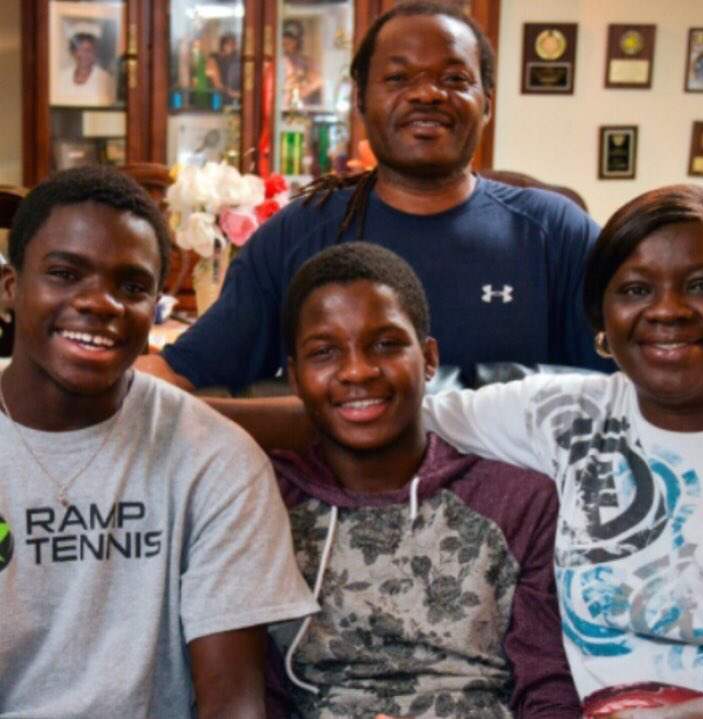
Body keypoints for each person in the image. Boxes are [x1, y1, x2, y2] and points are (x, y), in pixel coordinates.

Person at [137, 0, 610, 399]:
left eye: (454, 79)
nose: (427, 94)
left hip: (524, 501)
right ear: (360, 100)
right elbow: (188, 371)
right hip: (339, 500)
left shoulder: (556, 233)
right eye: (399, 79)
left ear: (487, 101)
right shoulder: (298, 234)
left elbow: (627, 388)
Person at [0, 166, 318, 718]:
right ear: (10, 288)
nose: (100, 303)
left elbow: (234, 704)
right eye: (64, 273)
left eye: (132, 286)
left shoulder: (215, 459)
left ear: (155, 309)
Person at [422, 185, 703, 718]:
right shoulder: (571, 417)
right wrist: (232, 424)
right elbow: (378, 412)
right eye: (636, 290)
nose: (666, 311)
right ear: (603, 318)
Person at [265, 242, 580, 718]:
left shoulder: (520, 502)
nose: (357, 371)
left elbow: (549, 690)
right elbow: (253, 689)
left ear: (429, 359)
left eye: (387, 344)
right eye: (325, 352)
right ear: (294, 377)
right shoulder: (262, 501)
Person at [56, 23, 116, 106]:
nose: (84, 55)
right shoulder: (62, 77)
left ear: (95, 53)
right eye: (80, 50)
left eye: (88, 50)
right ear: (73, 52)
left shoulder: (104, 79)